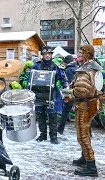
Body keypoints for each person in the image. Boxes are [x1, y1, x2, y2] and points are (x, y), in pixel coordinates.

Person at [63, 45, 103, 177]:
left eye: (80, 53)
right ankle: (84, 158)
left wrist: (70, 94)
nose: (77, 55)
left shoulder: (84, 70)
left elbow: (81, 91)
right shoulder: (95, 66)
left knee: (82, 136)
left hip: (84, 106)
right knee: (86, 132)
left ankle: (91, 166)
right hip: (93, 104)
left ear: (87, 54)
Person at [31, 46, 67, 144]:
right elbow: (30, 79)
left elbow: (63, 78)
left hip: (52, 94)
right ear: (42, 55)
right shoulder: (36, 66)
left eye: (49, 54)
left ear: (51, 55)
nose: (47, 55)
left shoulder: (56, 66)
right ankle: (43, 135)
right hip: (38, 94)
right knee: (40, 115)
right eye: (45, 54)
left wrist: (65, 88)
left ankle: (53, 136)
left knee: (52, 116)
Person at [58, 55, 78, 134]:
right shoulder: (78, 68)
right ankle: (87, 132)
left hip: (71, 93)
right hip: (79, 92)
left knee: (65, 111)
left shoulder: (68, 70)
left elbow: (68, 83)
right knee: (80, 112)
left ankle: (60, 129)